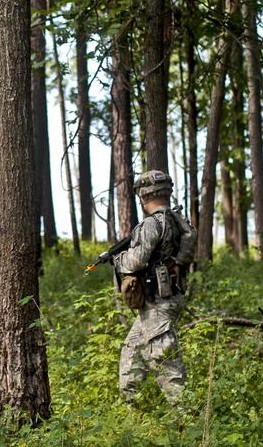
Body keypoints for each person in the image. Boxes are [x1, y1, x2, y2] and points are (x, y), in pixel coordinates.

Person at [114, 170, 196, 403]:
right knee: (132, 353)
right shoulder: (176, 219)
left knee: (165, 360)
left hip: (159, 303)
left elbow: (136, 261)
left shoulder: (152, 224)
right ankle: (132, 412)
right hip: (160, 301)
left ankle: (185, 420)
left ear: (144, 196)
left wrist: (118, 260)